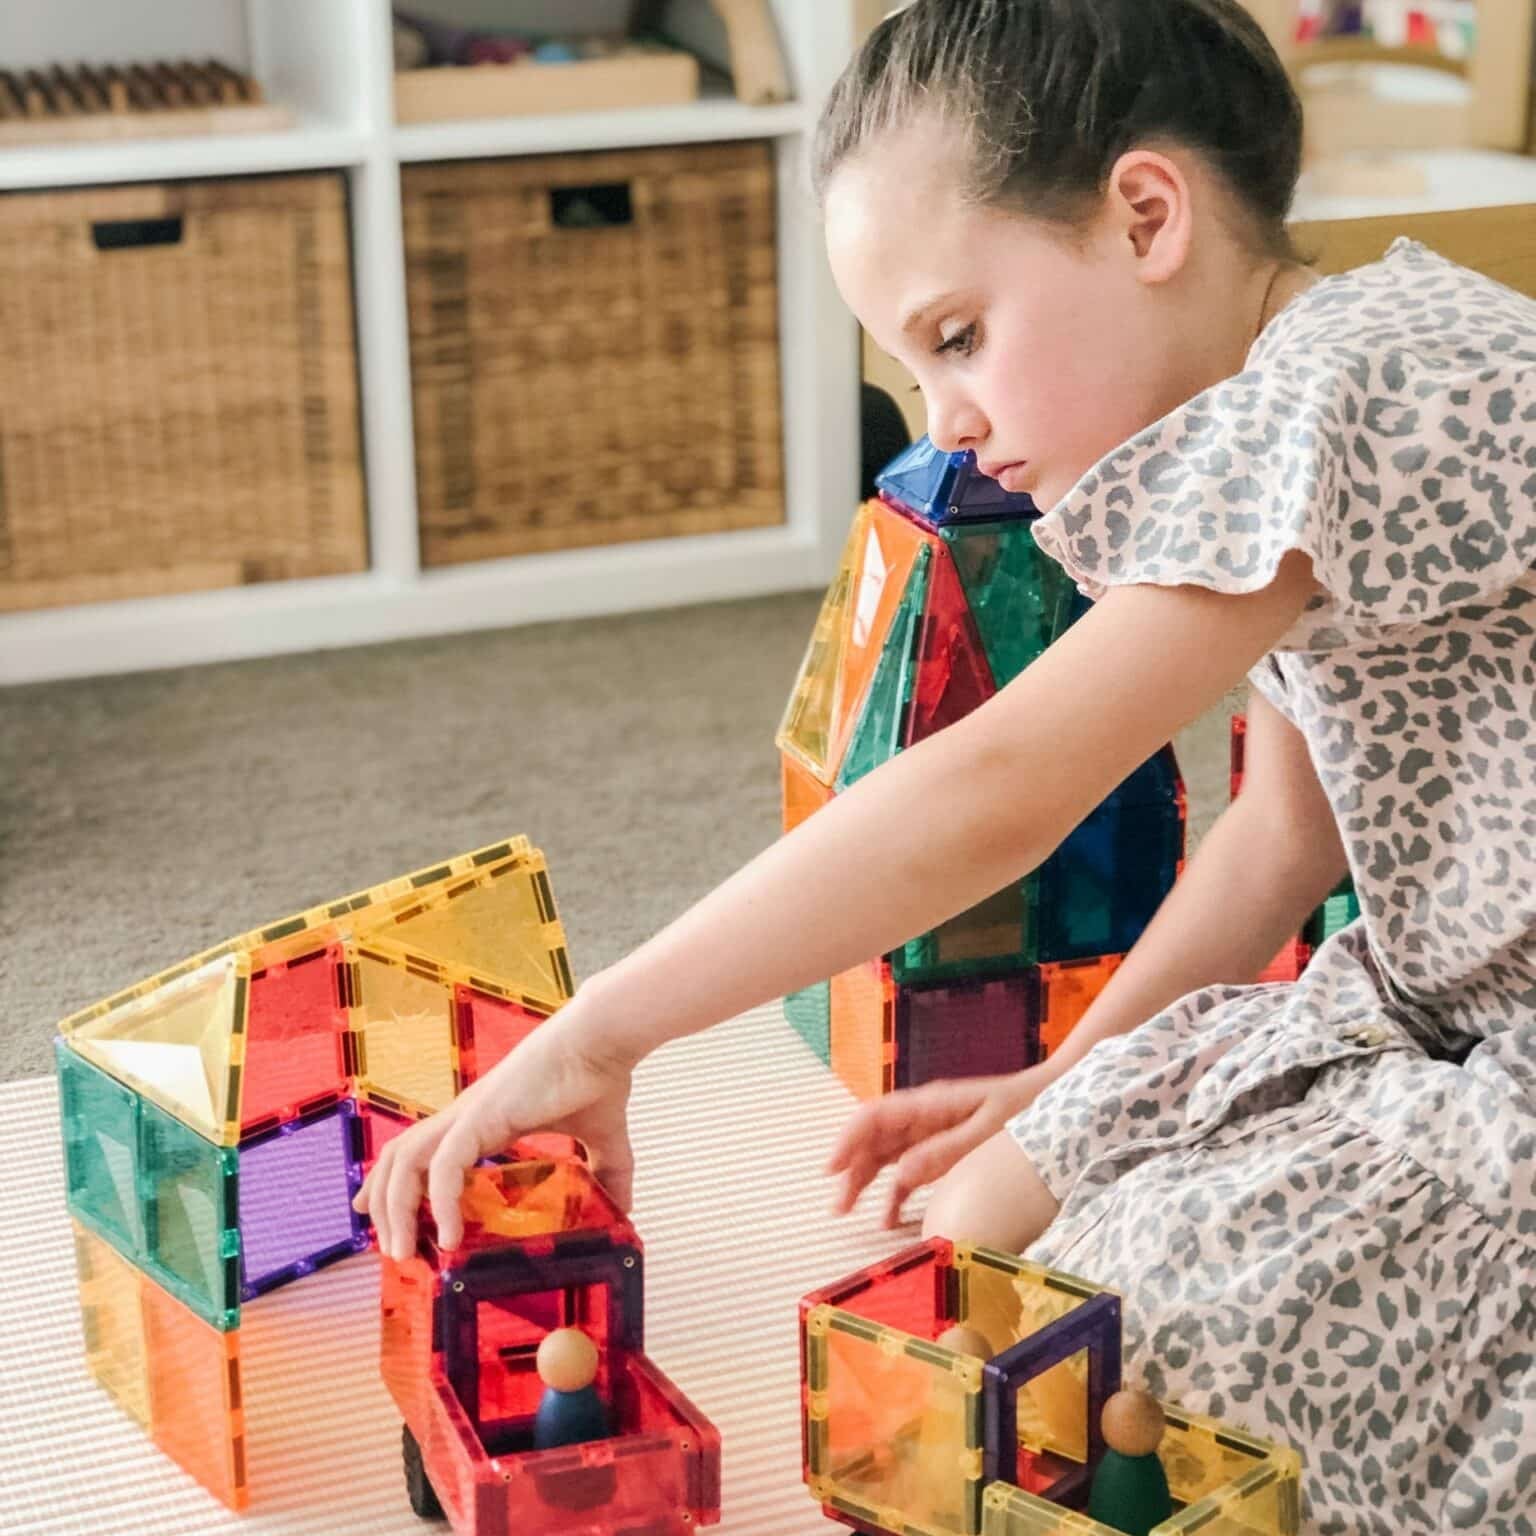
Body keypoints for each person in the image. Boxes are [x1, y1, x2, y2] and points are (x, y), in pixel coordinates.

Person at [357, 2, 1536, 1528]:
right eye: (917, 371)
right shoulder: (1282, 415)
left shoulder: (1358, 385)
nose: (950, 427)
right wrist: (1067, 1079)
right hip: (1437, 1003)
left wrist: (600, 1035)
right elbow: (1278, 839)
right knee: (988, 1230)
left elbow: (995, 791)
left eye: (959, 339)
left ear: (1147, 216)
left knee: (1118, 1362)